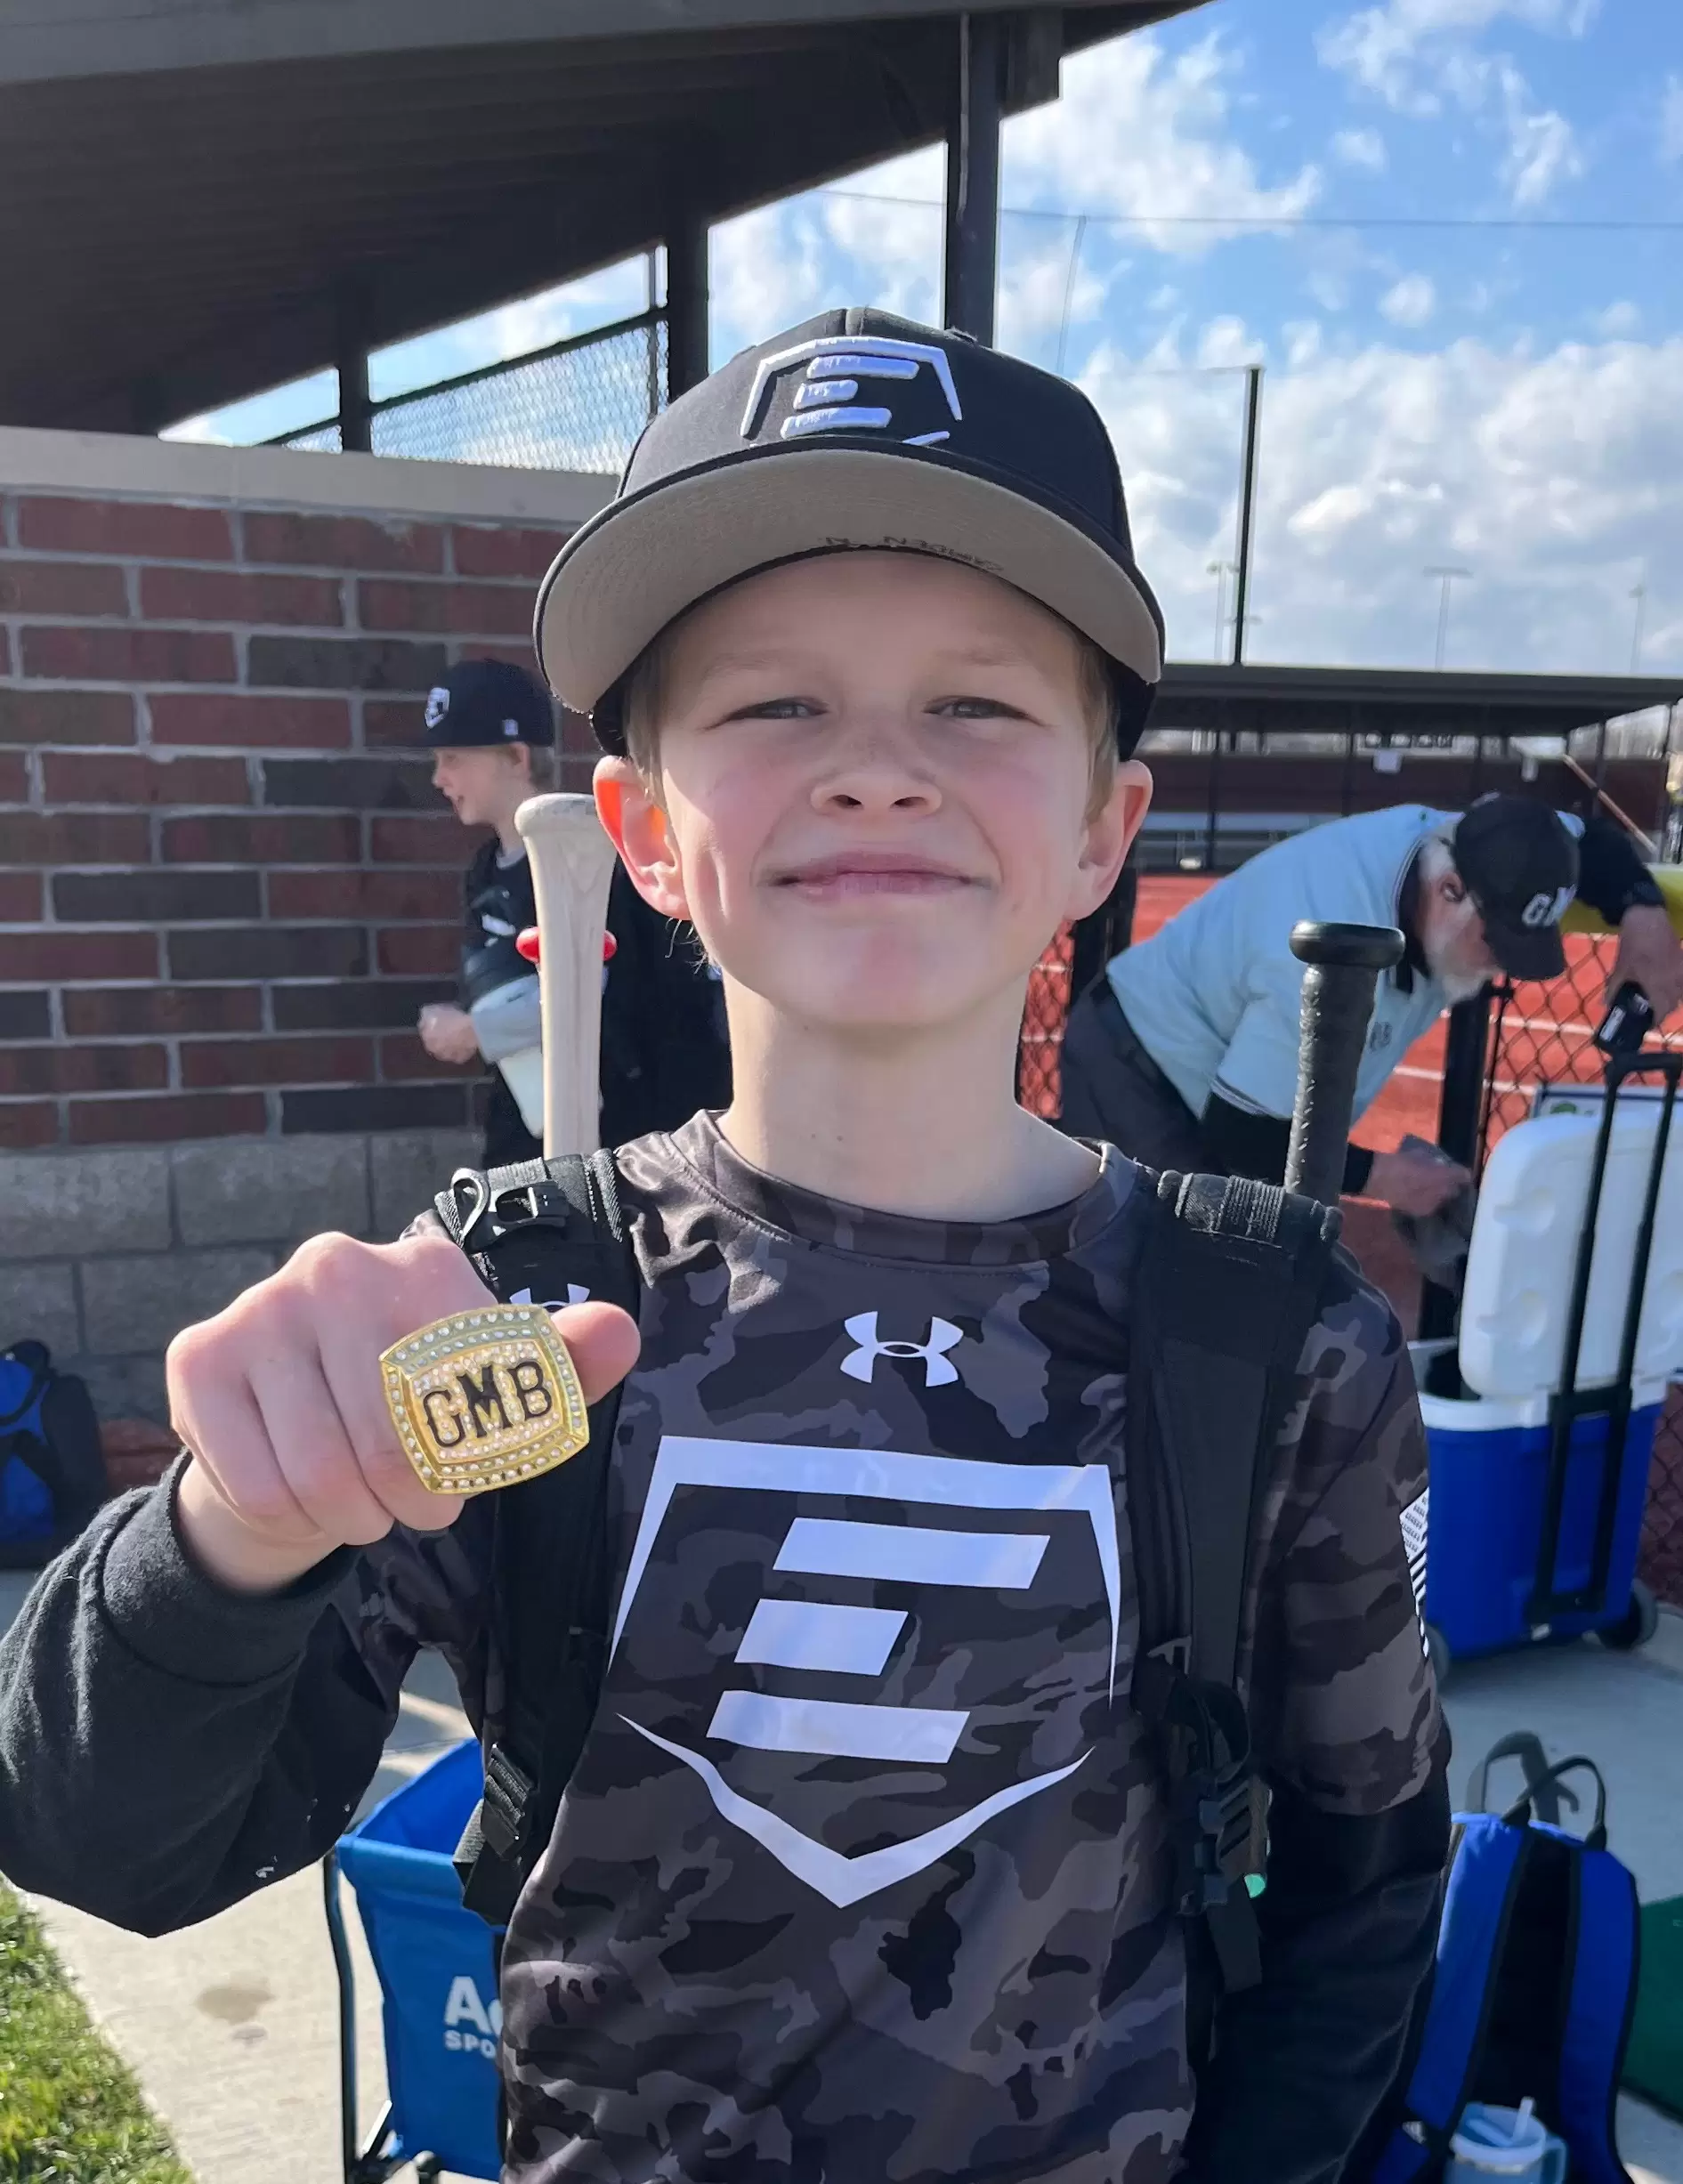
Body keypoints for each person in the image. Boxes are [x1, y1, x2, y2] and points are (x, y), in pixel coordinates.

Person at [0, 310, 1445, 2184]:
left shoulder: (1272, 1330)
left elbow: (1363, 1886)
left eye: (977, 704)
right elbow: (104, 1838)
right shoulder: (513, 1299)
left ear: (1105, 827)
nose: (876, 768)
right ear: (643, 830)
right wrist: (228, 1537)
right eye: (773, 705)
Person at [1059, 794, 1683, 1216]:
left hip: (1206, 1074)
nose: (1499, 962)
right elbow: (1245, 1137)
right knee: (1168, 1280)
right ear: (1449, 888)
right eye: (1497, 940)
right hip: (1137, 1066)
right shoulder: (1323, 955)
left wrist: (1641, 909)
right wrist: (1387, 1178)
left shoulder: (1480, 841)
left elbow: (1589, 841)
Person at [416, 657, 731, 1162]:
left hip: (619, 1138)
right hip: (524, 1124)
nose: (439, 777)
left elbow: (599, 987)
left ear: (516, 757)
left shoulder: (593, 856)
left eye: (453, 758)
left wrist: (477, 1031)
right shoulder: (485, 869)